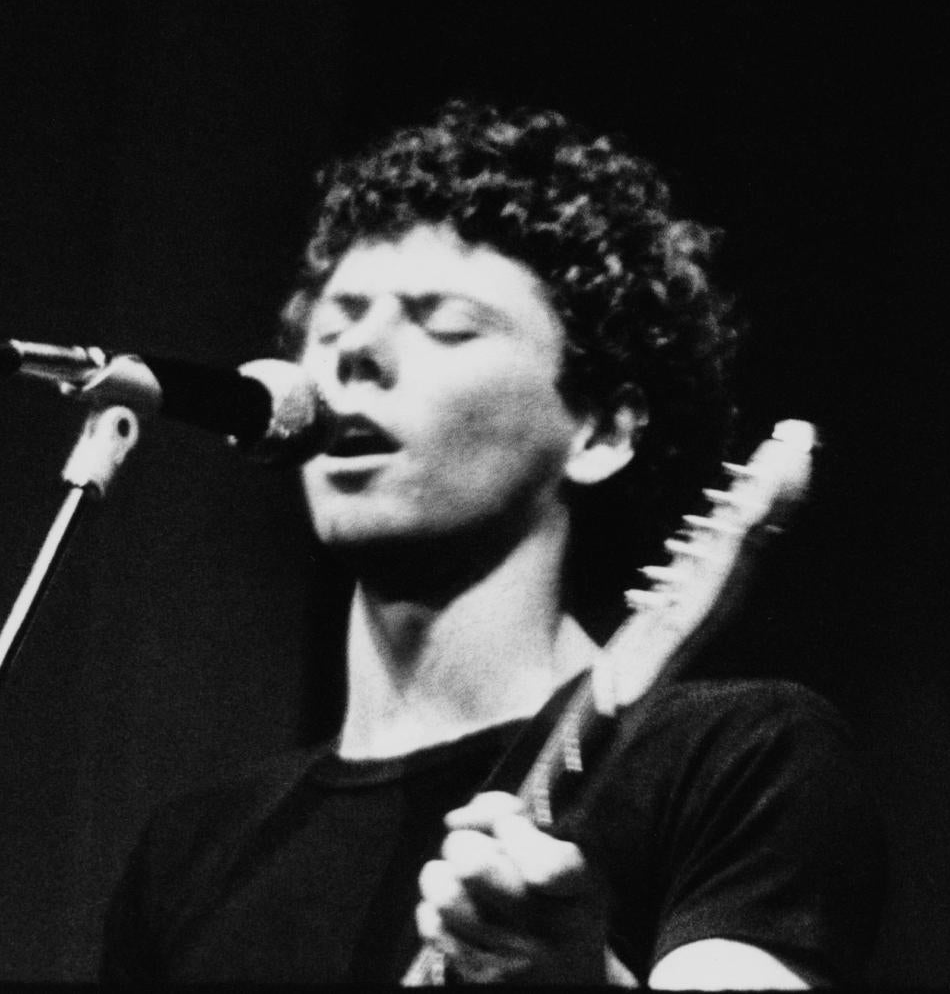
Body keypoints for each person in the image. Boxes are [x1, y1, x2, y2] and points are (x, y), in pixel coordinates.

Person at [99, 103, 884, 985]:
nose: (355, 351)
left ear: (601, 431)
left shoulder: (739, 755)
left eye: (445, 324)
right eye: (334, 322)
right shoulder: (192, 853)